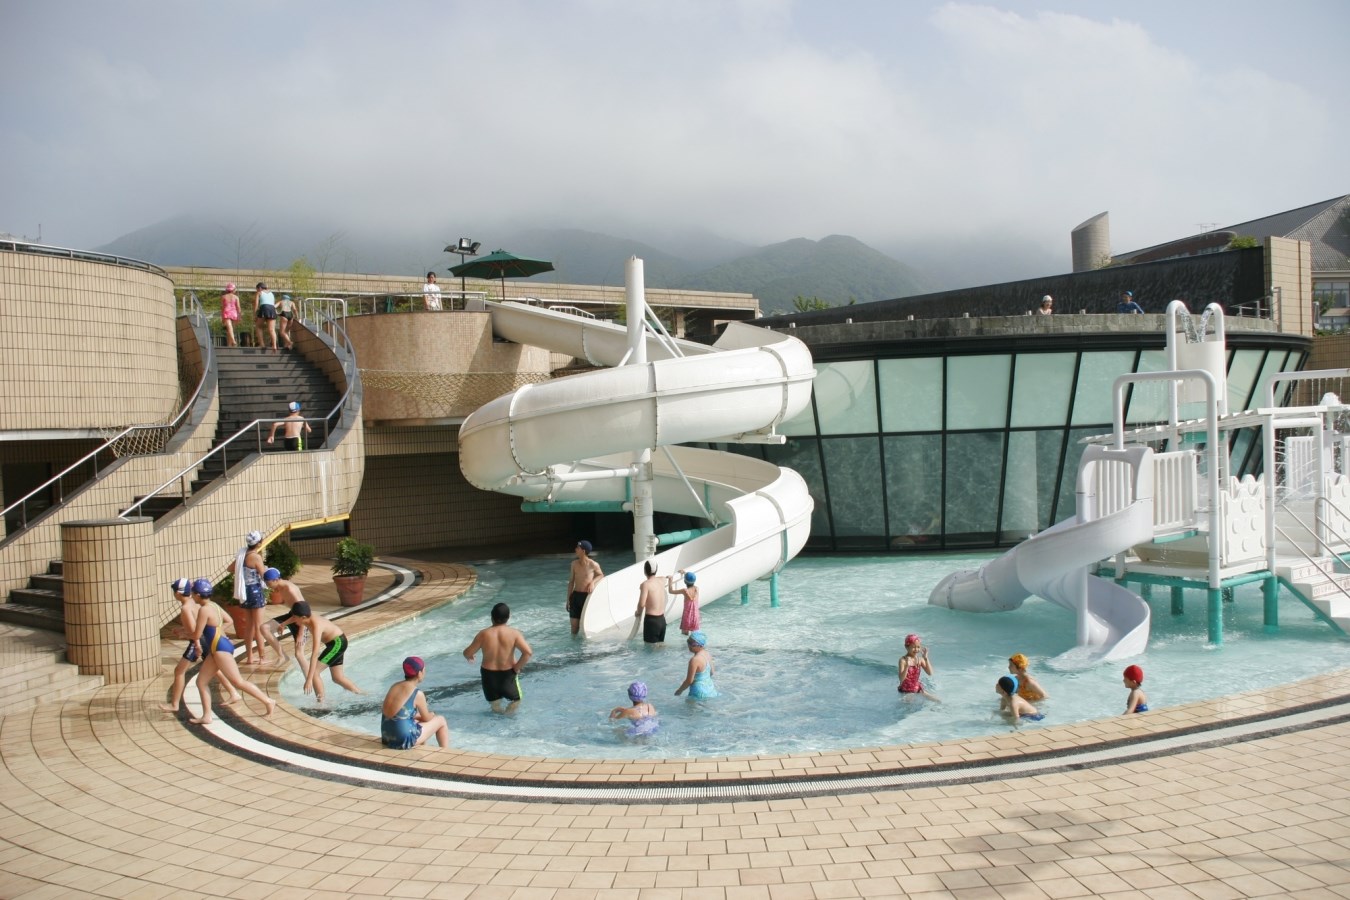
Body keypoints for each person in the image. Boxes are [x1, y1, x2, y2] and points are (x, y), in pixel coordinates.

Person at [187, 578, 275, 724]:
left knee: (238, 682)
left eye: (193, 593)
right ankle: (207, 716)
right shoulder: (214, 605)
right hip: (220, 646)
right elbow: (228, 620)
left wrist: (184, 633)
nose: (192, 596)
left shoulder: (204, 610)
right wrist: (219, 631)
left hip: (220, 649)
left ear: (197, 595)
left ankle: (268, 701)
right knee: (201, 682)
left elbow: (197, 634)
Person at [159, 577, 240, 714]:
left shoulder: (185, 608)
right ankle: (233, 692)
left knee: (179, 671)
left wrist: (196, 646)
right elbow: (198, 627)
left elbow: (194, 632)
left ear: (177, 593)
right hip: (207, 640)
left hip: (198, 642)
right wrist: (182, 630)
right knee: (215, 668)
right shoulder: (194, 602)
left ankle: (174, 705)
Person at [463, 602, 533, 713]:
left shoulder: (483, 634)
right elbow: (528, 653)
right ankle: (508, 715)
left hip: (489, 676)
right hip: (508, 675)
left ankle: (498, 712)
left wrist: (470, 656)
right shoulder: (514, 633)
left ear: (491, 617)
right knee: (516, 701)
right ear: (508, 617)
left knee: (495, 705)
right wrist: (517, 667)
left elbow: (467, 653)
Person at [290, 603, 364, 702]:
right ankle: (362, 695)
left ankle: (321, 704)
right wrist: (282, 624)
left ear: (303, 617)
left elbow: (315, 653)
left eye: (295, 617)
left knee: (314, 673)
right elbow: (291, 618)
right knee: (338, 678)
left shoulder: (316, 625)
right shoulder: (306, 616)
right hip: (337, 642)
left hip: (337, 644)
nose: (293, 620)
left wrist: (309, 679)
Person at [381, 656, 450, 750]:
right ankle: (445, 752)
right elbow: (427, 718)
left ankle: (422, 750)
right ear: (419, 673)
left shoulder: (394, 686)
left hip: (386, 736)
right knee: (441, 720)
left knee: (417, 722)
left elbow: (397, 714)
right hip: (402, 740)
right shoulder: (417, 694)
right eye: (424, 670)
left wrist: (417, 716)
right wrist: (432, 714)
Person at [230, 530, 270, 666]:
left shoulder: (242, 555)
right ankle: (262, 657)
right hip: (255, 591)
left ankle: (249, 658)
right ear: (259, 543)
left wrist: (243, 572)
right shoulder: (255, 557)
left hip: (245, 592)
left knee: (249, 627)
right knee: (258, 626)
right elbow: (264, 575)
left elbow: (230, 568)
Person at [261, 568, 311, 672]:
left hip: (302, 621)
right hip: (292, 616)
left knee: (299, 655)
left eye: (268, 584)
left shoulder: (290, 589)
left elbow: (305, 612)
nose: (268, 586)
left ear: (275, 580)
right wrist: (283, 624)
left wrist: (301, 634)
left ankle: (311, 680)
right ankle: (282, 656)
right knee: (264, 628)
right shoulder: (280, 586)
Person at [566, 540, 603, 636]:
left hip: (586, 597)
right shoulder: (574, 564)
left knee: (587, 626)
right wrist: (568, 599)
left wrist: (592, 582)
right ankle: (573, 647)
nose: (575, 549)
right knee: (574, 627)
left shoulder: (593, 564)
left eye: (578, 548)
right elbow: (571, 582)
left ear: (583, 551)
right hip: (575, 596)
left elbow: (601, 575)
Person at [675, 631, 717, 699]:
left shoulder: (694, 660)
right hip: (710, 690)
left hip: (698, 692)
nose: (689, 645)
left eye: (692, 643)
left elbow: (689, 681)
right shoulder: (707, 654)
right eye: (688, 642)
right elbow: (712, 672)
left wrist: (679, 691)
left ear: (700, 645)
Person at [635, 560, 667, 644]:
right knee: (660, 647)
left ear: (645, 571)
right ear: (656, 570)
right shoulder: (662, 580)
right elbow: (665, 577)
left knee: (650, 651)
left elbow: (642, 604)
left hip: (652, 621)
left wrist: (638, 613)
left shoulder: (645, 584)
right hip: (662, 621)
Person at [668, 570, 700, 635]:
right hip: (695, 617)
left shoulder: (684, 591)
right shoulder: (697, 589)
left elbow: (671, 591)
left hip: (687, 617)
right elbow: (690, 579)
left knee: (684, 636)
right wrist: (685, 573)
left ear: (684, 581)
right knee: (695, 636)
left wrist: (670, 580)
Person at [254, 281, 279, 351]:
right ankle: (274, 345)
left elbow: (256, 304)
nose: (257, 290)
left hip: (264, 308)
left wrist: (255, 314)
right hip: (272, 309)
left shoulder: (259, 292)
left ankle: (262, 344)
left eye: (257, 289)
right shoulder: (272, 293)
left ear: (259, 288)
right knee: (272, 329)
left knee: (258, 326)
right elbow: (272, 304)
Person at [220, 282, 241, 347]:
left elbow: (222, 307)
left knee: (229, 328)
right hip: (234, 313)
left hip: (226, 312)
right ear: (234, 290)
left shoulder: (223, 297)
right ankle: (230, 344)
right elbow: (238, 307)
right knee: (231, 329)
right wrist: (239, 316)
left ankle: (232, 341)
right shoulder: (236, 297)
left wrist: (222, 317)